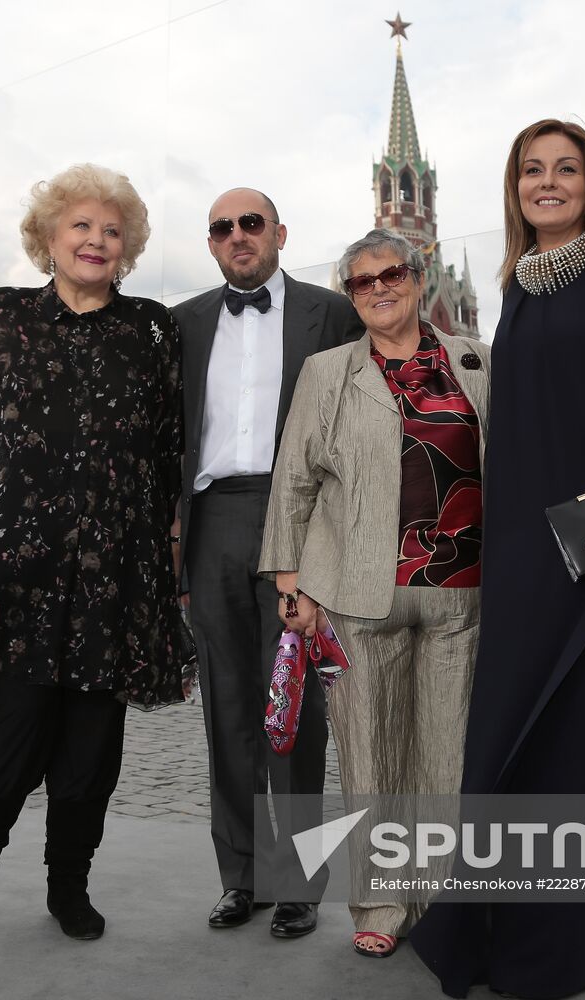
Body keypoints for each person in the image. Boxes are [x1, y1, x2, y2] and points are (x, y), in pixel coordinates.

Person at [411, 119, 585, 998]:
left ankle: (580, 938)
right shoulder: (513, 286)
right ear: (515, 185)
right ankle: (498, 921)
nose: (548, 183)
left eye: (566, 169)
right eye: (532, 170)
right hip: (526, 544)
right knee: (508, 728)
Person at [0, 163, 188, 941]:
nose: (97, 240)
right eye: (81, 227)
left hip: (115, 570)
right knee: (13, 727)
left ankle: (70, 888)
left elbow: (168, 457)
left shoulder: (151, 329)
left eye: (112, 230)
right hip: (15, 565)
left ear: (126, 248)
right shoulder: (1, 316)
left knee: (93, 737)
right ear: (48, 238)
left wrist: (166, 562)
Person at [259, 229, 490, 957]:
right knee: (370, 756)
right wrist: (289, 580)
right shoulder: (327, 372)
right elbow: (293, 479)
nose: (379, 288)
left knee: (444, 759)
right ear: (350, 295)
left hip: (461, 593)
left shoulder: (476, 362)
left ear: (418, 279)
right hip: (358, 592)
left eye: (391, 274)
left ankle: (439, 905)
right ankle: (382, 907)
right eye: (361, 282)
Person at [171, 188, 364, 938]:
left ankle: (298, 884)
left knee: (294, 708)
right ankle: (239, 878)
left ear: (279, 232)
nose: (237, 236)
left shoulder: (332, 314)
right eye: (221, 228)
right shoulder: (182, 324)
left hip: (299, 522)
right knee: (226, 707)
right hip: (214, 519)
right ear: (211, 244)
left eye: (250, 224)